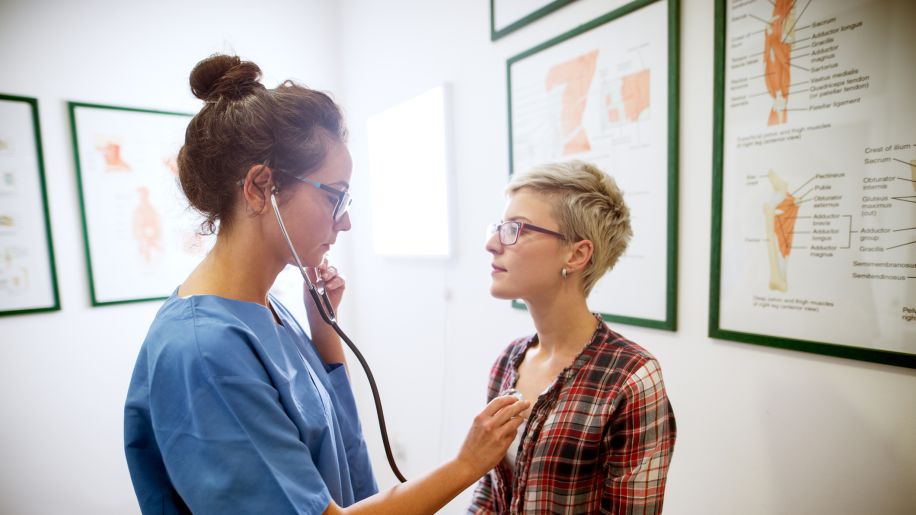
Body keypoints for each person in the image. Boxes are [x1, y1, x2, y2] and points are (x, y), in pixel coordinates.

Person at [123, 54, 529, 515]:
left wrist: (322, 328)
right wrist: (467, 464)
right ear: (261, 188)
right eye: (335, 196)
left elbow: (333, 436)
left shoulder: (265, 306)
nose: (347, 221)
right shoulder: (203, 351)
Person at [469, 161, 677, 514]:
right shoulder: (507, 362)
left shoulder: (632, 379)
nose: (491, 243)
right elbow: (488, 495)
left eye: (515, 229)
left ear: (577, 254)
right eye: (499, 227)